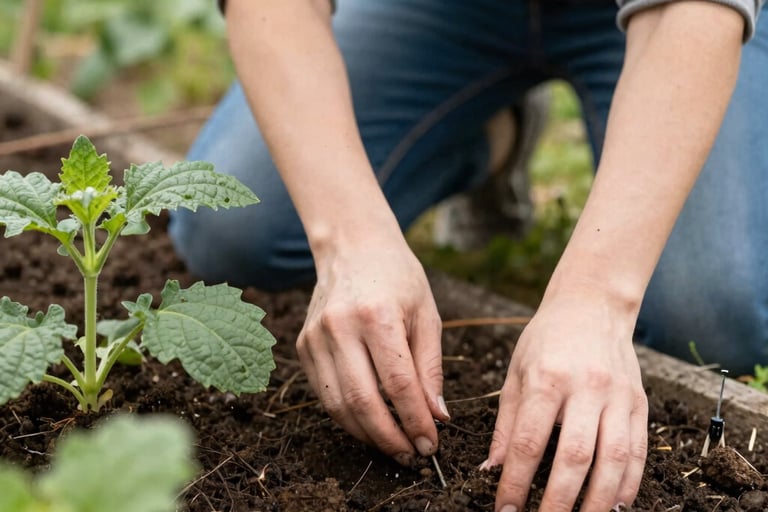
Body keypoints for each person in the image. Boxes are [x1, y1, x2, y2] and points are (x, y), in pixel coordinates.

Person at [169, 1, 767, 510]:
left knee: (712, 315)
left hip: (679, 16)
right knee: (233, 230)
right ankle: (491, 138)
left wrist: (597, 298)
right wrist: (350, 241)